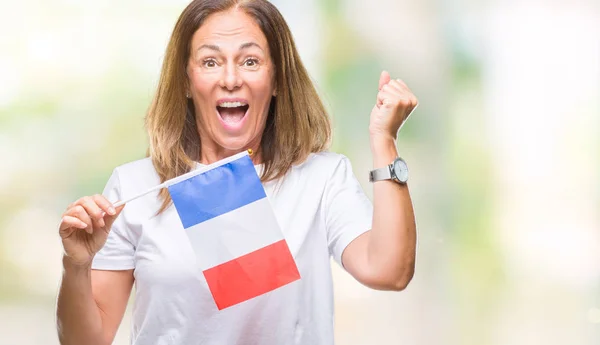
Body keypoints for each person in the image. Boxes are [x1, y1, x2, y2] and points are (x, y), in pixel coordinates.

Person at [55, 0, 418, 344]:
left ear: (276, 80)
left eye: (250, 61)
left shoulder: (321, 178)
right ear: (186, 79)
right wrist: (76, 265)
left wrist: (384, 140)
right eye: (210, 62)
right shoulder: (135, 186)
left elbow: (389, 271)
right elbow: (85, 341)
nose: (230, 78)